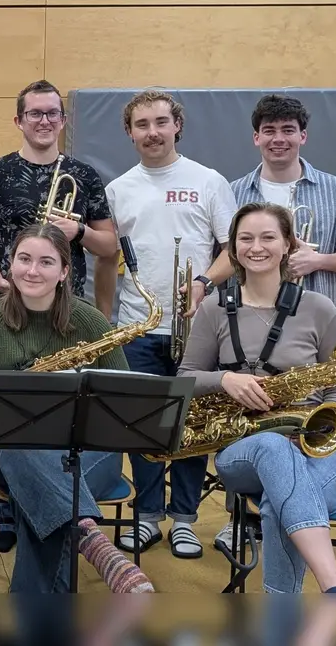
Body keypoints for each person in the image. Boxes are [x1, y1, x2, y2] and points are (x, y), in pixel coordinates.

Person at [0, 224, 152, 594]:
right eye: (24, 259)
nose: (32, 271)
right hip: (2, 447)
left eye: (46, 262)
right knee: (24, 446)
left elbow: (124, 397)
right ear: (11, 264)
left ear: (65, 272)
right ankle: (90, 537)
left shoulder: (90, 322)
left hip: (86, 454)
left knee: (42, 500)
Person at [177, 202, 336, 594]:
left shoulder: (319, 308)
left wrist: (329, 421)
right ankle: (334, 588)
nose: (255, 247)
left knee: (280, 503)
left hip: (323, 444)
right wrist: (225, 378)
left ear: (288, 245)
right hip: (243, 447)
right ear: (232, 248)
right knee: (274, 449)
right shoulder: (213, 309)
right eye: (245, 238)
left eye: (267, 237)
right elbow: (185, 377)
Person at [104, 87, 236, 559]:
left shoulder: (209, 181)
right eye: (142, 124)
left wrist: (202, 282)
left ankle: (184, 519)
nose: (152, 132)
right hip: (138, 326)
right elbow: (106, 259)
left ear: (177, 124)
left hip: (197, 327)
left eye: (161, 122)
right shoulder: (118, 189)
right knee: (141, 425)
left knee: (191, 424)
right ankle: (146, 516)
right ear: (129, 132)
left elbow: (233, 250)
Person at [0, 79, 119, 315]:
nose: (45, 121)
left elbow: (109, 246)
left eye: (52, 114)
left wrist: (79, 230)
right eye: (35, 114)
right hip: (11, 301)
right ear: (18, 121)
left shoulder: (85, 174)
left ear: (63, 120)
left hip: (68, 305)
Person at [224, 94, 336, 311]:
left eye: (288, 130)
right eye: (269, 130)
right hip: (248, 313)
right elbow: (224, 255)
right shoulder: (232, 192)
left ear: (303, 136)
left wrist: (318, 261)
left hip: (315, 314)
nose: (278, 139)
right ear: (256, 137)